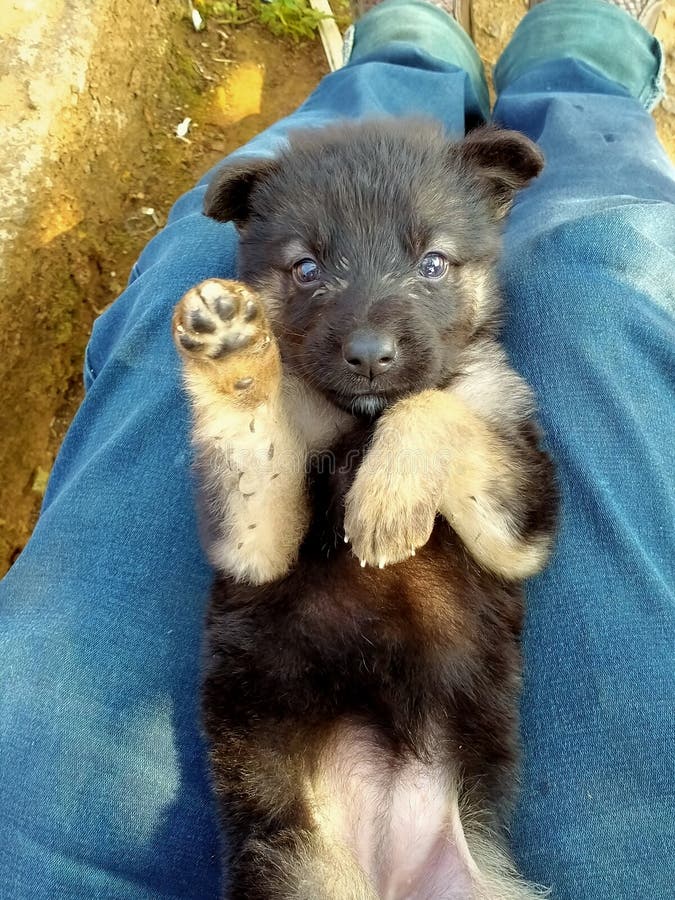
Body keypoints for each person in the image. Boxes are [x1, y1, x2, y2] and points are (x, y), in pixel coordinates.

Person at [0, 0, 673, 897]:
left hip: (445, 783)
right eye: (306, 271)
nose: (367, 339)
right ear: (256, 252)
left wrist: (427, 428)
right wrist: (245, 409)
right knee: (604, 270)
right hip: (298, 785)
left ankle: (405, 45)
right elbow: (255, 546)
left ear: (483, 243)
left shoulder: (472, 382)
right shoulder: (302, 394)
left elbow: (515, 540)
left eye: (432, 266)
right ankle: (580, 56)